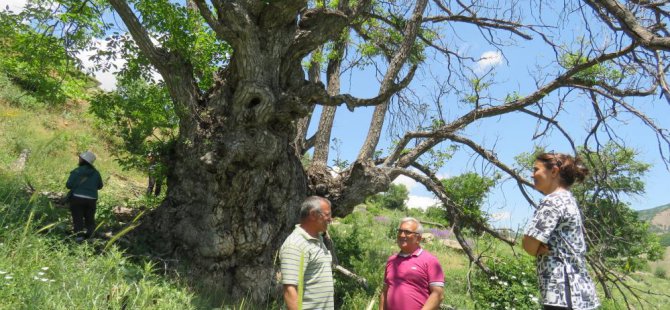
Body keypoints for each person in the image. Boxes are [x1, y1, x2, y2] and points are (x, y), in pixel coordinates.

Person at [522, 152, 600, 310]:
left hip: (563, 294)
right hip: (581, 296)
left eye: (536, 169)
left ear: (554, 171)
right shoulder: (568, 199)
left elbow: (529, 245)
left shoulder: (553, 201)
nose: (532, 174)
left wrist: (536, 247)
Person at [280, 196, 335, 310]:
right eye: (327, 214)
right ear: (313, 214)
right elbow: (290, 289)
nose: (330, 219)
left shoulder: (318, 239)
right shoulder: (295, 245)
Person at [380, 217, 444, 310]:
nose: (402, 235)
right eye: (400, 231)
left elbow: (438, 295)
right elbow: (385, 291)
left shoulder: (430, 261)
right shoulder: (392, 261)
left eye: (407, 232)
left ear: (418, 238)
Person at [66, 151, 103, 242]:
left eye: (80, 158)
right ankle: (91, 237)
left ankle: (79, 238)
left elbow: (69, 185)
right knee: (90, 219)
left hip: (77, 198)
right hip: (92, 199)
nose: (79, 159)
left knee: (78, 218)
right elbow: (100, 186)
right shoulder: (96, 173)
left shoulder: (76, 171)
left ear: (83, 160)